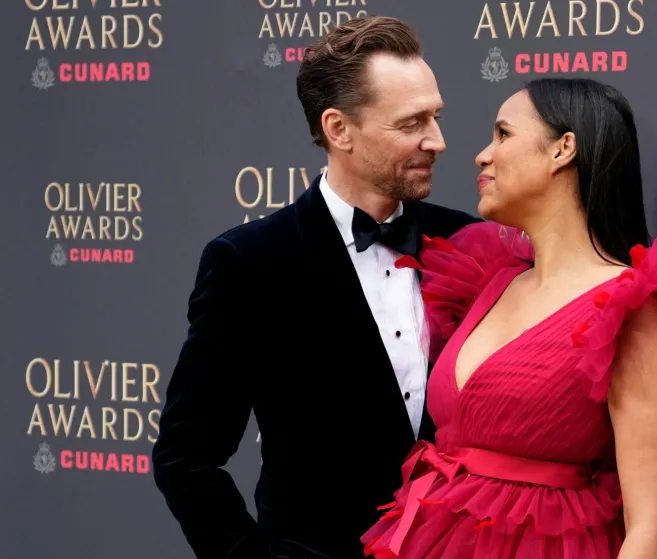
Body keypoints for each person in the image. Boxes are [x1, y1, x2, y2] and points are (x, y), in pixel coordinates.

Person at [359, 78, 657, 559]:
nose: (482, 155)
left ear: (563, 149)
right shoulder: (491, 283)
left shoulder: (633, 310)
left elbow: (653, 532)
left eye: (503, 135)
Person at [151, 16, 479, 559]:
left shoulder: (468, 243)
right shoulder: (249, 263)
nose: (438, 140)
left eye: (436, 116)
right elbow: (186, 456)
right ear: (338, 129)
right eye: (411, 122)